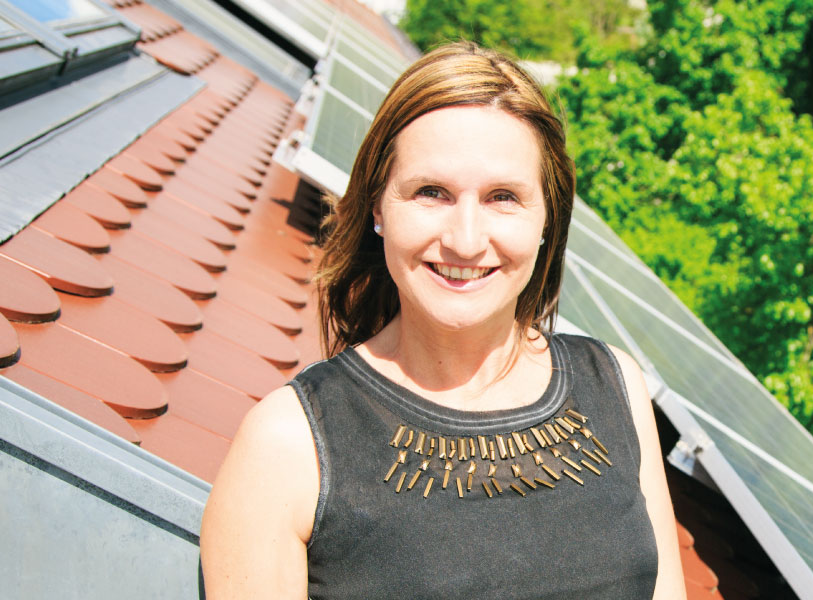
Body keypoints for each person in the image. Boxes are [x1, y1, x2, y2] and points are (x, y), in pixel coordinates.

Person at [200, 41, 685, 599]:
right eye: (431, 193)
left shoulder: (615, 386)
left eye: (503, 197)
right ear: (379, 207)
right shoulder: (288, 443)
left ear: (547, 219)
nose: (466, 239)